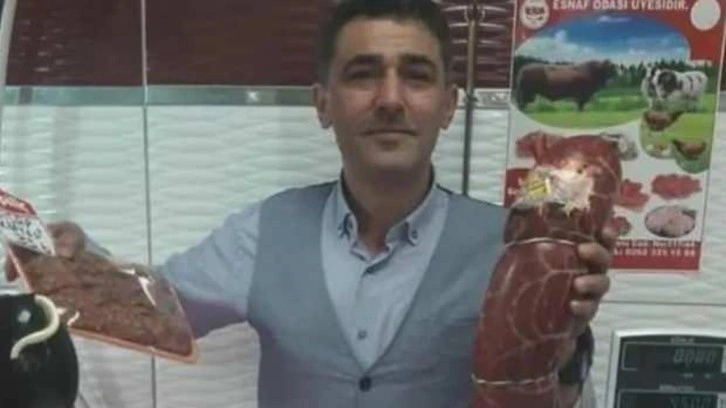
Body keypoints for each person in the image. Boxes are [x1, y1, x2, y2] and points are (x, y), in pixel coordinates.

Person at [5, 0, 615, 407]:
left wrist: (565, 345)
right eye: (363, 73)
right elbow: (158, 311)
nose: (390, 99)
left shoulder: (515, 246)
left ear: (450, 105)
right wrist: (74, 263)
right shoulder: (264, 230)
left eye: (416, 75)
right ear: (323, 103)